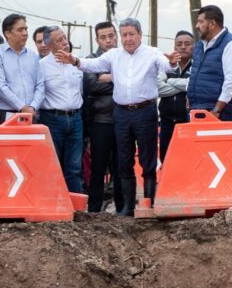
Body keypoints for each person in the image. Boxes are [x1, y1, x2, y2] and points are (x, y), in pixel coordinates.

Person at [56, 17, 180, 216]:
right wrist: (75, 61)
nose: (128, 39)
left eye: (132, 34)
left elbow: (166, 64)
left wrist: (172, 63)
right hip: (121, 113)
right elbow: (92, 64)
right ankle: (127, 207)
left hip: (145, 112)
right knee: (124, 161)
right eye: (125, 35)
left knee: (147, 161)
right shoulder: (114, 55)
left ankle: (149, 203)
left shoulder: (152, 53)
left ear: (140, 34)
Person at [83, 22, 124, 214]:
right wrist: (121, 79)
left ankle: (123, 208)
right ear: (97, 39)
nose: (108, 40)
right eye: (103, 37)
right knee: (98, 168)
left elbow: (134, 83)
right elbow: (92, 85)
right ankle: (94, 209)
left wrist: (108, 77)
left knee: (121, 168)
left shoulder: (126, 57)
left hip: (123, 120)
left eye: (111, 36)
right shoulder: (91, 60)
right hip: (100, 121)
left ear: (116, 36)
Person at [38, 26, 83, 192]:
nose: (65, 43)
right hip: (53, 119)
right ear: (49, 46)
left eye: (65, 38)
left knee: (74, 167)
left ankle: (76, 204)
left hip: (76, 119)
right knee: (53, 165)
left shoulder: (76, 63)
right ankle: (54, 204)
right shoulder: (41, 66)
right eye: (59, 40)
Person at [0, 14, 43, 124]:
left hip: (31, 113)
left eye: (26, 29)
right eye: (20, 30)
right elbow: (0, 87)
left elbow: (40, 85)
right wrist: (22, 107)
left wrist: (33, 107)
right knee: (9, 142)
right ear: (8, 33)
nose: (25, 33)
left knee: (29, 142)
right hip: (6, 113)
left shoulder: (32, 55)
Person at [188, 5, 232, 120]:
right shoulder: (199, 45)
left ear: (212, 24)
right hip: (197, 111)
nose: (196, 26)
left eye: (200, 22)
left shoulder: (231, 45)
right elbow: (194, 74)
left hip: (218, 114)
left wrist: (216, 110)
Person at [156, 30, 194, 160]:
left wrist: (170, 81)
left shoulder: (198, 66)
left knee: (187, 160)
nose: (183, 47)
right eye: (179, 44)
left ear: (193, 46)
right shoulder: (166, 66)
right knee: (166, 159)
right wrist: (185, 86)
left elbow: (195, 85)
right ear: (174, 47)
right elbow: (158, 89)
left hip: (188, 123)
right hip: (166, 123)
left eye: (187, 43)